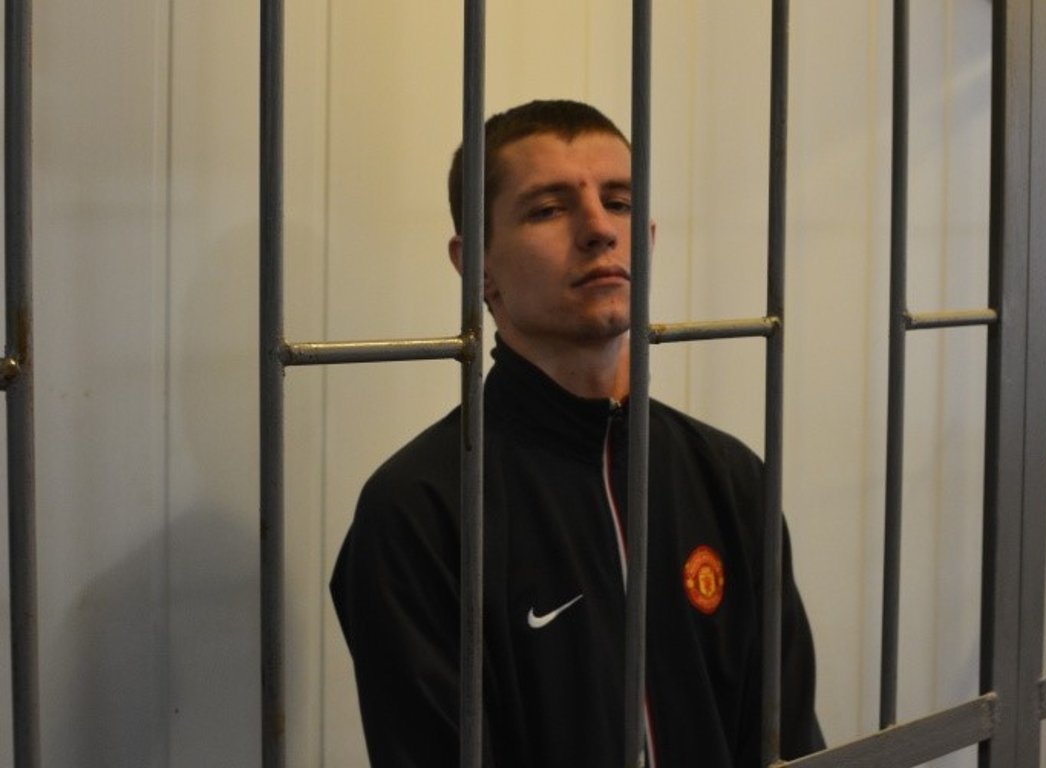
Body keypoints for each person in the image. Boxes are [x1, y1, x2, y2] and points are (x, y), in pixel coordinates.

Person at [331, 99, 824, 767]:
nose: (598, 229)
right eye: (547, 209)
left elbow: (789, 746)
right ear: (475, 265)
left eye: (620, 203)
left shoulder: (731, 479)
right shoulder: (422, 509)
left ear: (648, 240)